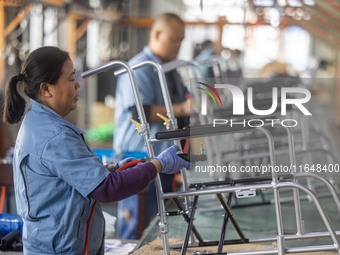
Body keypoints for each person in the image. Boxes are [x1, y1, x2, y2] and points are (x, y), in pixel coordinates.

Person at [2, 46, 190, 254]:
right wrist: (158, 164)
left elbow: (66, 183)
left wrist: (111, 170)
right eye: (71, 78)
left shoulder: (40, 123)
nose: (78, 85)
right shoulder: (55, 135)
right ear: (46, 89)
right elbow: (108, 189)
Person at [114, 13, 191, 237]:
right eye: (175, 39)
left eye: (181, 40)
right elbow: (139, 112)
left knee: (157, 227)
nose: (179, 45)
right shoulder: (139, 68)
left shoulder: (169, 69)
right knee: (135, 225)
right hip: (138, 157)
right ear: (157, 34)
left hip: (164, 158)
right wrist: (184, 109)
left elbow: (182, 99)